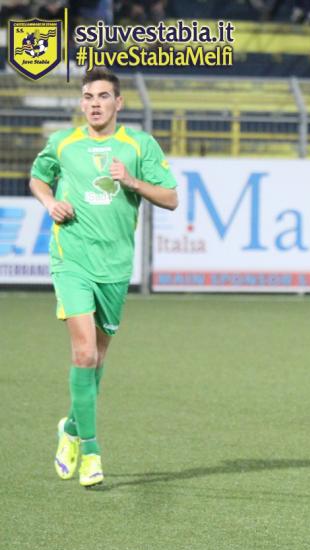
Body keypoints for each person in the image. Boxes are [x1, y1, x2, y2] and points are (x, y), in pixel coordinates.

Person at [29, 67, 178, 487]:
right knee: (83, 354)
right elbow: (38, 179)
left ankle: (70, 428)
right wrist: (49, 204)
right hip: (71, 258)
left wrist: (131, 181)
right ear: (82, 103)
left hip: (114, 266)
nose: (94, 104)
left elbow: (171, 197)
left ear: (119, 102)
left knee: (97, 358)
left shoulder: (139, 145)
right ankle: (90, 451)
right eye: (88, 97)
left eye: (103, 96)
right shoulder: (64, 142)